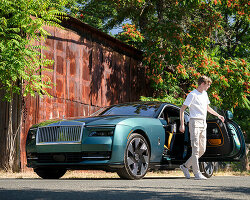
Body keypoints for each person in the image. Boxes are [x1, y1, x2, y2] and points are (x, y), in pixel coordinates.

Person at [179, 75, 225, 180]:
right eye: (208, 85)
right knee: (195, 149)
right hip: (194, 122)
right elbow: (182, 109)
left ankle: (185, 166)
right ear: (202, 84)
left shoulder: (205, 94)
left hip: (203, 123)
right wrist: (182, 124)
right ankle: (197, 173)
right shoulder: (192, 95)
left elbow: (207, 107)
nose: (209, 87)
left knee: (202, 149)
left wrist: (218, 115)